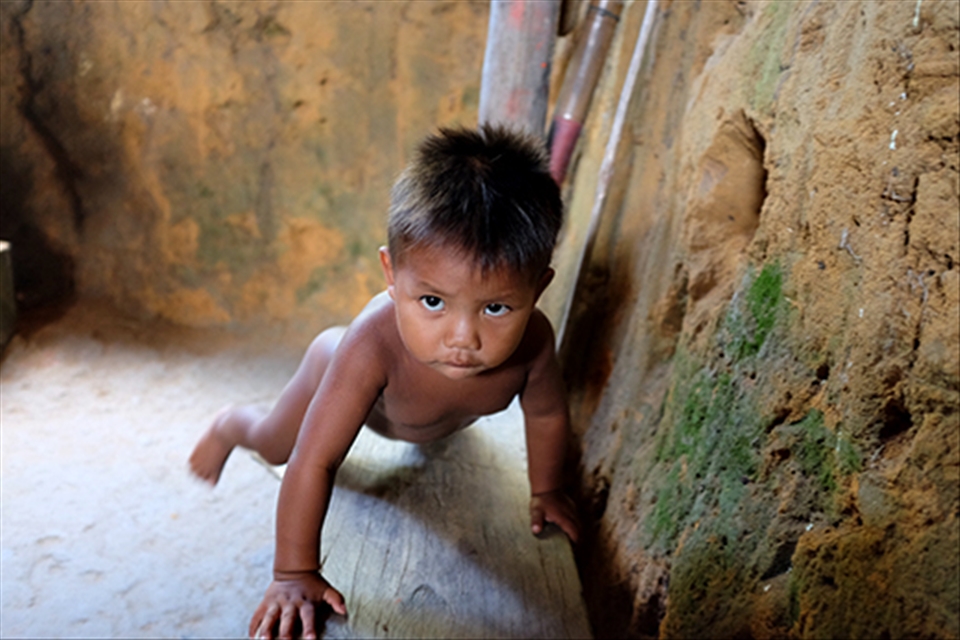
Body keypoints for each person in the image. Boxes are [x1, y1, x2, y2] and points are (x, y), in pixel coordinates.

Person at [188, 124, 580, 640]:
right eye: (433, 302)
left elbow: (547, 413)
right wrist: (293, 573)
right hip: (331, 371)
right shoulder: (370, 346)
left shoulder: (533, 343)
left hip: (424, 427)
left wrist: (547, 488)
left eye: (496, 307)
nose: (463, 338)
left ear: (539, 286)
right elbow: (316, 461)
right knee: (278, 446)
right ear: (390, 274)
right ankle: (231, 425)